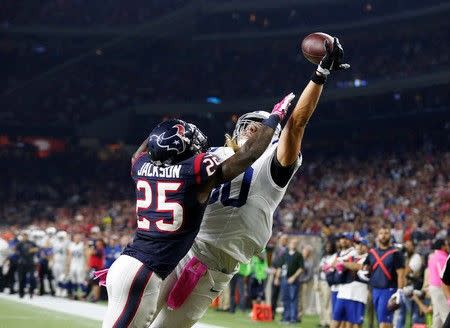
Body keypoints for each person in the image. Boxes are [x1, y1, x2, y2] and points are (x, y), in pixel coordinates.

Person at [150, 37, 350, 328]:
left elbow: (296, 123)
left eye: (263, 125)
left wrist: (320, 75)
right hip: (179, 248)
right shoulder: (212, 155)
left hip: (215, 267)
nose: (255, 127)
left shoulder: (272, 161)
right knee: (132, 319)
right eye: (250, 124)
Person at [100, 94, 289, 328]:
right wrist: (275, 119)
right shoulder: (192, 172)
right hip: (145, 271)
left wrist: (163, 130)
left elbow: (142, 151)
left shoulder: (140, 166)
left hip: (128, 263)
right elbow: (247, 155)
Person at [365, 228, 405, 328]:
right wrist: (363, 271)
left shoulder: (396, 253)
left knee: (384, 322)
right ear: (377, 236)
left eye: (386, 233)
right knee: (384, 321)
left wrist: (399, 291)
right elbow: (366, 267)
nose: (383, 235)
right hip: (375, 290)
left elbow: (401, 274)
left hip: (389, 289)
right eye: (381, 233)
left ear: (390, 236)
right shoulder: (372, 253)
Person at [396, 240, 423, 328]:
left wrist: (401, 258)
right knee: (401, 315)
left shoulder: (416, 257)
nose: (407, 247)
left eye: (409, 245)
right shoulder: (405, 256)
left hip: (414, 289)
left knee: (415, 316)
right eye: (406, 245)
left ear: (413, 247)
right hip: (404, 289)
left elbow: (407, 271)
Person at [277, 238, 304, 323]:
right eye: (292, 243)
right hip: (284, 279)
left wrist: (294, 277)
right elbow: (280, 267)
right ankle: (286, 317)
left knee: (293, 299)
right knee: (285, 299)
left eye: (295, 243)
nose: (293, 244)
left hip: (294, 280)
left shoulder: (299, 255)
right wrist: (277, 278)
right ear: (289, 244)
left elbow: (301, 268)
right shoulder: (285, 254)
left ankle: (293, 318)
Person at [427, 239, 449, 328]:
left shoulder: (432, 257)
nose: (447, 246)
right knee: (446, 314)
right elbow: (442, 275)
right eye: (446, 244)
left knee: (437, 316)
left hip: (433, 287)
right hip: (440, 288)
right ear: (442, 246)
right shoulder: (441, 257)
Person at [318, 240, 337, 328]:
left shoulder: (335, 256)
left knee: (327, 302)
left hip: (328, 281)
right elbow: (320, 267)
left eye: (329, 247)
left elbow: (330, 268)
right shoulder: (324, 257)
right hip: (321, 280)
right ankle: (322, 321)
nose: (328, 248)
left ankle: (328, 322)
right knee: (321, 302)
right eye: (327, 247)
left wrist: (324, 268)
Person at [271, 234, 289, 319]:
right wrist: (273, 268)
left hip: (283, 275)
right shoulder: (277, 249)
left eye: (285, 240)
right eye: (282, 239)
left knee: (283, 296)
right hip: (275, 274)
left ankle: (284, 315)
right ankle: (272, 313)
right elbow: (274, 261)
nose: (283, 241)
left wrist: (279, 271)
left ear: (287, 241)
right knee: (274, 295)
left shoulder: (288, 250)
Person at [16, 232, 39, 298]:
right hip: (22, 263)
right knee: (22, 279)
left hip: (30, 263)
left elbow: (37, 249)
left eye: (26, 235)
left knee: (32, 277)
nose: (25, 237)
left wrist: (33, 250)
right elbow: (15, 250)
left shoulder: (32, 243)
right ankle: (21, 293)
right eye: (24, 235)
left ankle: (31, 292)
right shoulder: (20, 243)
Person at [67, 233, 86, 300]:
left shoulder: (82, 245)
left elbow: (86, 254)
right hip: (73, 263)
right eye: (76, 238)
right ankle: (75, 294)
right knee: (73, 279)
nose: (77, 239)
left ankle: (83, 295)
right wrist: (68, 265)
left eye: (78, 238)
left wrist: (85, 265)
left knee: (80, 280)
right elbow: (69, 255)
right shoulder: (71, 245)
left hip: (80, 264)